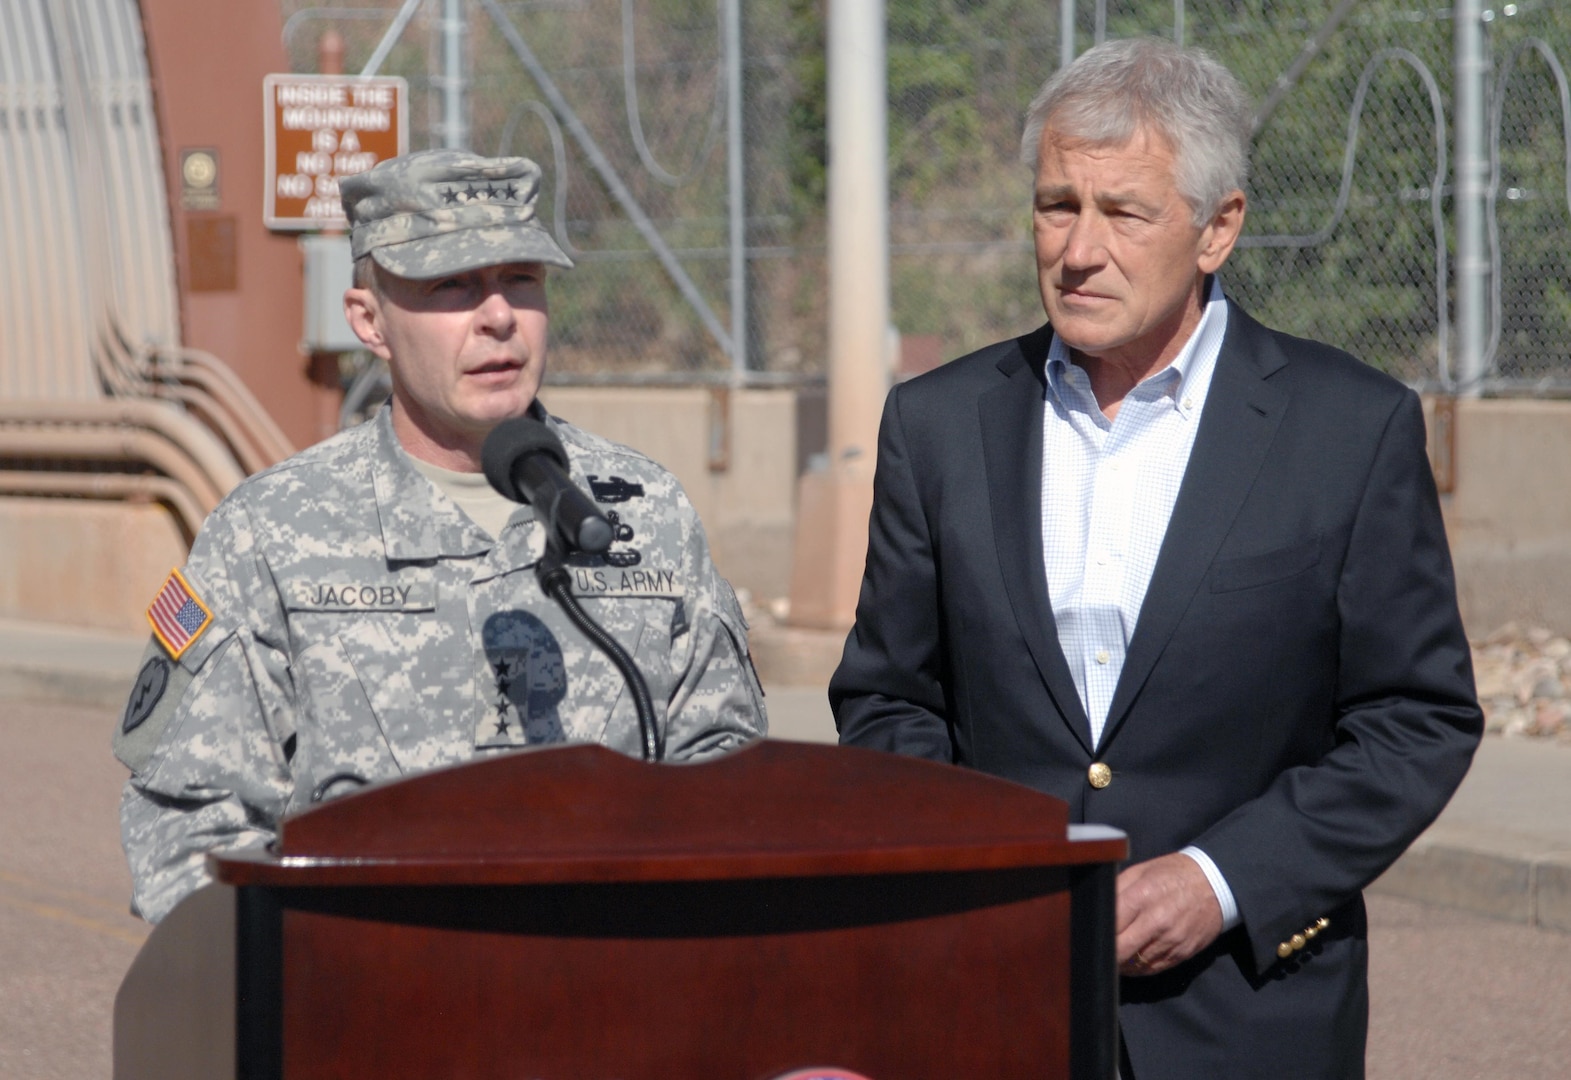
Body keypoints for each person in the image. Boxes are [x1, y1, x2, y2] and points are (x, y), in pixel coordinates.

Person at [830, 38, 1480, 1079]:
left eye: (1122, 212)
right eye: (1055, 206)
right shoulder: (938, 426)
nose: (1077, 249)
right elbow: (886, 700)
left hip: (1245, 1013)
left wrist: (1219, 879)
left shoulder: (1344, 430)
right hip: (994, 1003)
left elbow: (1415, 719)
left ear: (1216, 227)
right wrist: (983, 878)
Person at [114, 149, 766, 924]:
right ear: (369, 320)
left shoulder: (640, 509)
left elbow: (730, 781)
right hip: (374, 1009)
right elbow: (190, 829)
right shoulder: (271, 534)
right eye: (451, 284)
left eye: (519, 279)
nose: (497, 316)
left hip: (614, 1000)